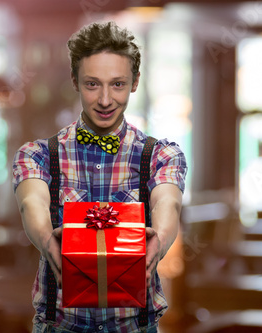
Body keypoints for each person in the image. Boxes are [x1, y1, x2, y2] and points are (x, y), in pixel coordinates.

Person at [12, 21, 187, 333]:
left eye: (117, 84)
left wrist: (158, 241)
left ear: (135, 82)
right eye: (93, 84)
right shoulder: (37, 154)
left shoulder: (161, 155)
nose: (105, 100)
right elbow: (31, 201)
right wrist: (45, 240)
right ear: (75, 81)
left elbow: (168, 202)